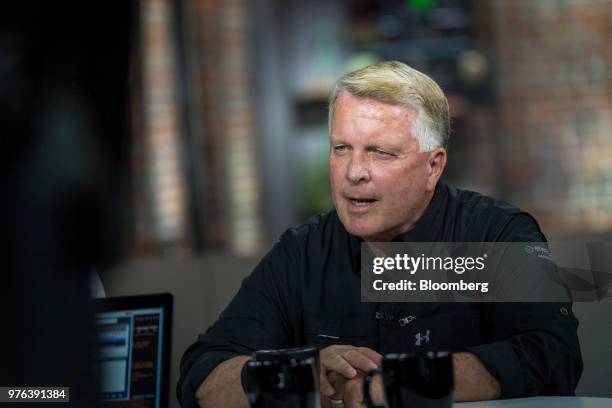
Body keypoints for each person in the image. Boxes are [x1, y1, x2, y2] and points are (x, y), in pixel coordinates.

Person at [177, 61, 582, 408]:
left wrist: (396, 384)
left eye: (379, 152)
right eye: (341, 149)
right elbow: (202, 375)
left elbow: (552, 355)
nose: (354, 172)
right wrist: (302, 375)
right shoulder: (302, 252)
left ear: (433, 166)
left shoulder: (498, 234)